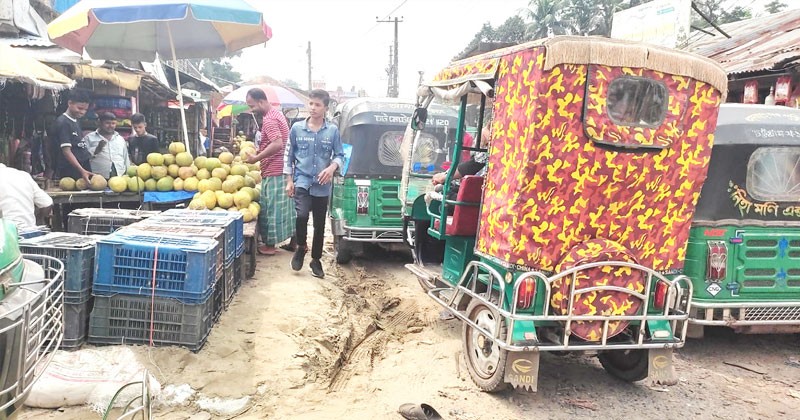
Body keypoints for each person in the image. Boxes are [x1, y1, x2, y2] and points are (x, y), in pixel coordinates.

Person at [284, 89, 344, 278]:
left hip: (322, 185)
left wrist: (331, 168)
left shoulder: (332, 130)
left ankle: (316, 260)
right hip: (302, 181)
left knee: (319, 225)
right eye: (311, 104)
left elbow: (340, 155)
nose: (313, 108)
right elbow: (289, 156)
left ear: (325, 108)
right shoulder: (297, 129)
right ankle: (301, 246)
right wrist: (288, 180)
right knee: (301, 216)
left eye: (317, 105)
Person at [244, 88, 295, 256]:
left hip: (275, 169)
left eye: (252, 106)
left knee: (271, 209)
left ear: (261, 101)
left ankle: (270, 246)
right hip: (282, 168)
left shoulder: (269, 119)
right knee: (286, 208)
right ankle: (296, 242)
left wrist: (256, 157)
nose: (252, 110)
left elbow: (277, 143)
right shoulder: (277, 114)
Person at [51, 89, 92, 183]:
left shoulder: (76, 121)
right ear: (70, 103)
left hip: (82, 166)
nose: (82, 112)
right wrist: (82, 171)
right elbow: (66, 151)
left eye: (85, 109)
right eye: (80, 108)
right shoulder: (63, 122)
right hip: (70, 170)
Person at [0, 163, 53, 230]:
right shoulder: (22, 175)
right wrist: (39, 220)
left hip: (7, 233)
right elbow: (47, 203)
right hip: (29, 231)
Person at [84, 112, 131, 178]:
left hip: (119, 178)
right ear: (99, 123)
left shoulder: (120, 139)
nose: (110, 126)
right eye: (107, 123)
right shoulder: (89, 138)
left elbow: (126, 158)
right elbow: (83, 158)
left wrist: (128, 175)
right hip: (98, 178)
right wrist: (96, 150)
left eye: (113, 123)